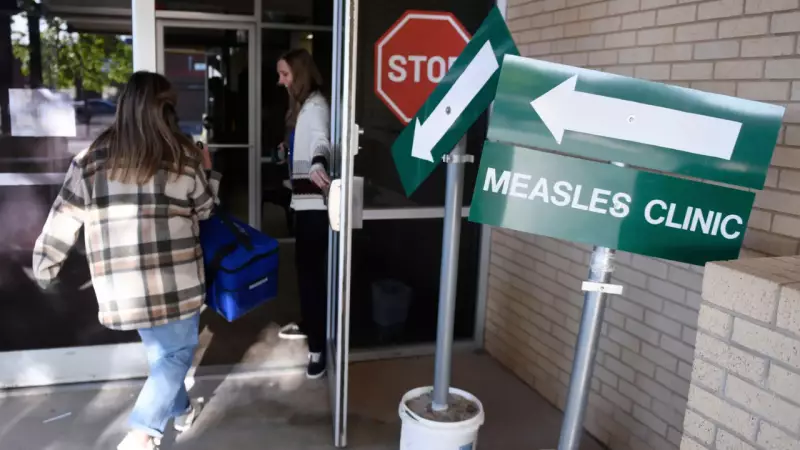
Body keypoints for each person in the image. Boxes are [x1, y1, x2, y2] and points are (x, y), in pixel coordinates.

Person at [32, 71, 220, 450]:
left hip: (123, 288)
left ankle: (183, 412)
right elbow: (206, 210)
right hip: (176, 284)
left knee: (165, 358)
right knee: (176, 356)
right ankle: (141, 434)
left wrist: (44, 264)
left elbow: (63, 216)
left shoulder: (90, 160)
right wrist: (209, 170)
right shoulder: (183, 157)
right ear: (165, 109)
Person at [275, 48, 332, 379]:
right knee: (305, 272)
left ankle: (318, 351)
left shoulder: (317, 106)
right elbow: (309, 142)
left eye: (284, 74)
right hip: (303, 204)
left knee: (311, 278)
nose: (280, 80)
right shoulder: (303, 107)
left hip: (315, 208)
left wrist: (318, 163)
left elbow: (323, 142)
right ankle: (311, 325)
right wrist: (288, 150)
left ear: (299, 73)